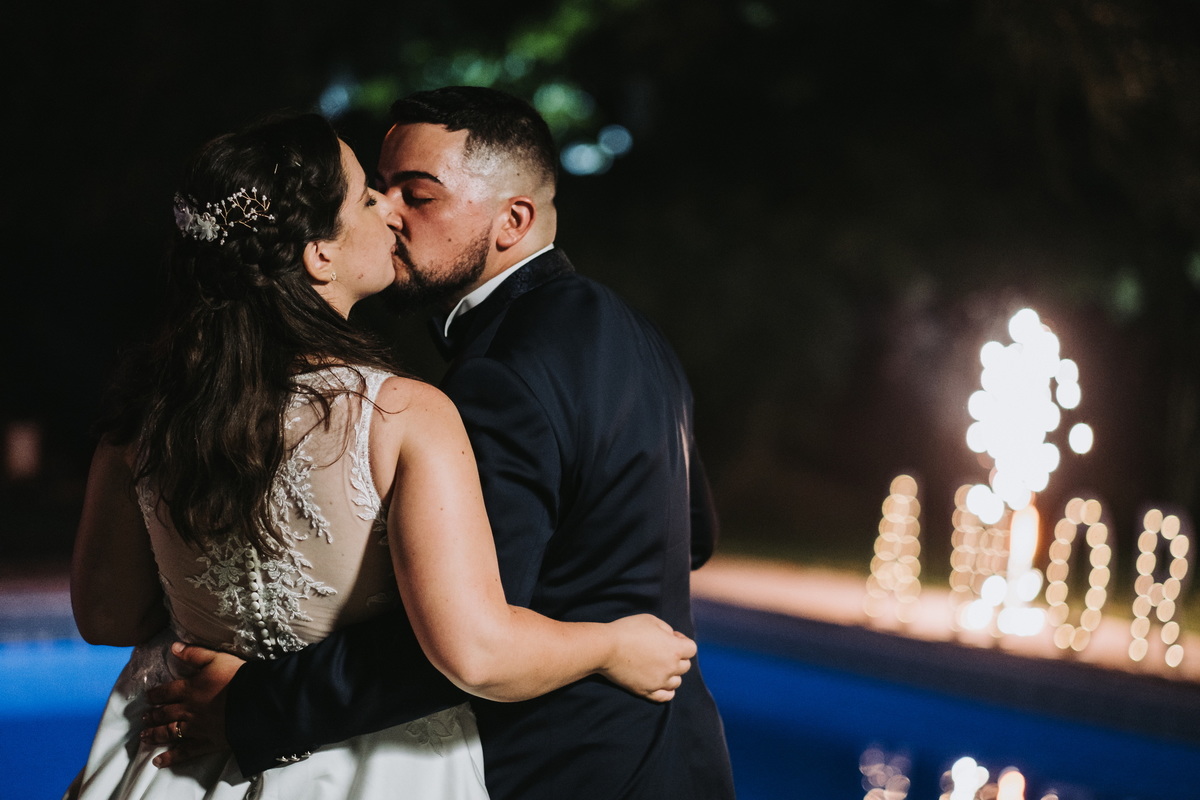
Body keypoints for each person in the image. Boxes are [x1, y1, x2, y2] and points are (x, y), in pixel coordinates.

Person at [66, 111, 697, 800]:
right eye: (371, 195)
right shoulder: (409, 411)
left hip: (175, 760)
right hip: (370, 768)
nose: (390, 212)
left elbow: (108, 618)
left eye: (411, 194)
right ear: (319, 255)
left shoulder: (143, 415)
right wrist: (612, 644)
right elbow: (479, 649)